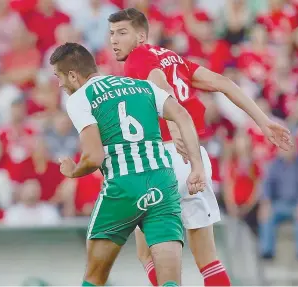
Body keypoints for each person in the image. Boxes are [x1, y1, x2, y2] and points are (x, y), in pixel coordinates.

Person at [108, 8, 293, 286]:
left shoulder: (137, 59)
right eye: (111, 34)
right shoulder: (173, 58)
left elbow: (161, 90)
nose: (114, 40)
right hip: (196, 159)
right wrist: (264, 122)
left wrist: (173, 129)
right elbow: (223, 83)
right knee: (208, 259)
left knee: (148, 253)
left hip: (164, 158)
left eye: (122, 33)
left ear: (141, 36)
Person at [50, 42, 205, 286]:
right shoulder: (142, 85)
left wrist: (74, 171)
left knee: (94, 278)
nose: (59, 84)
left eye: (59, 76)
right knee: (170, 283)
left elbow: (93, 157)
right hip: (162, 183)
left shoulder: (80, 98)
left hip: (123, 187)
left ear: (72, 75)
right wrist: (197, 166)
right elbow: (183, 115)